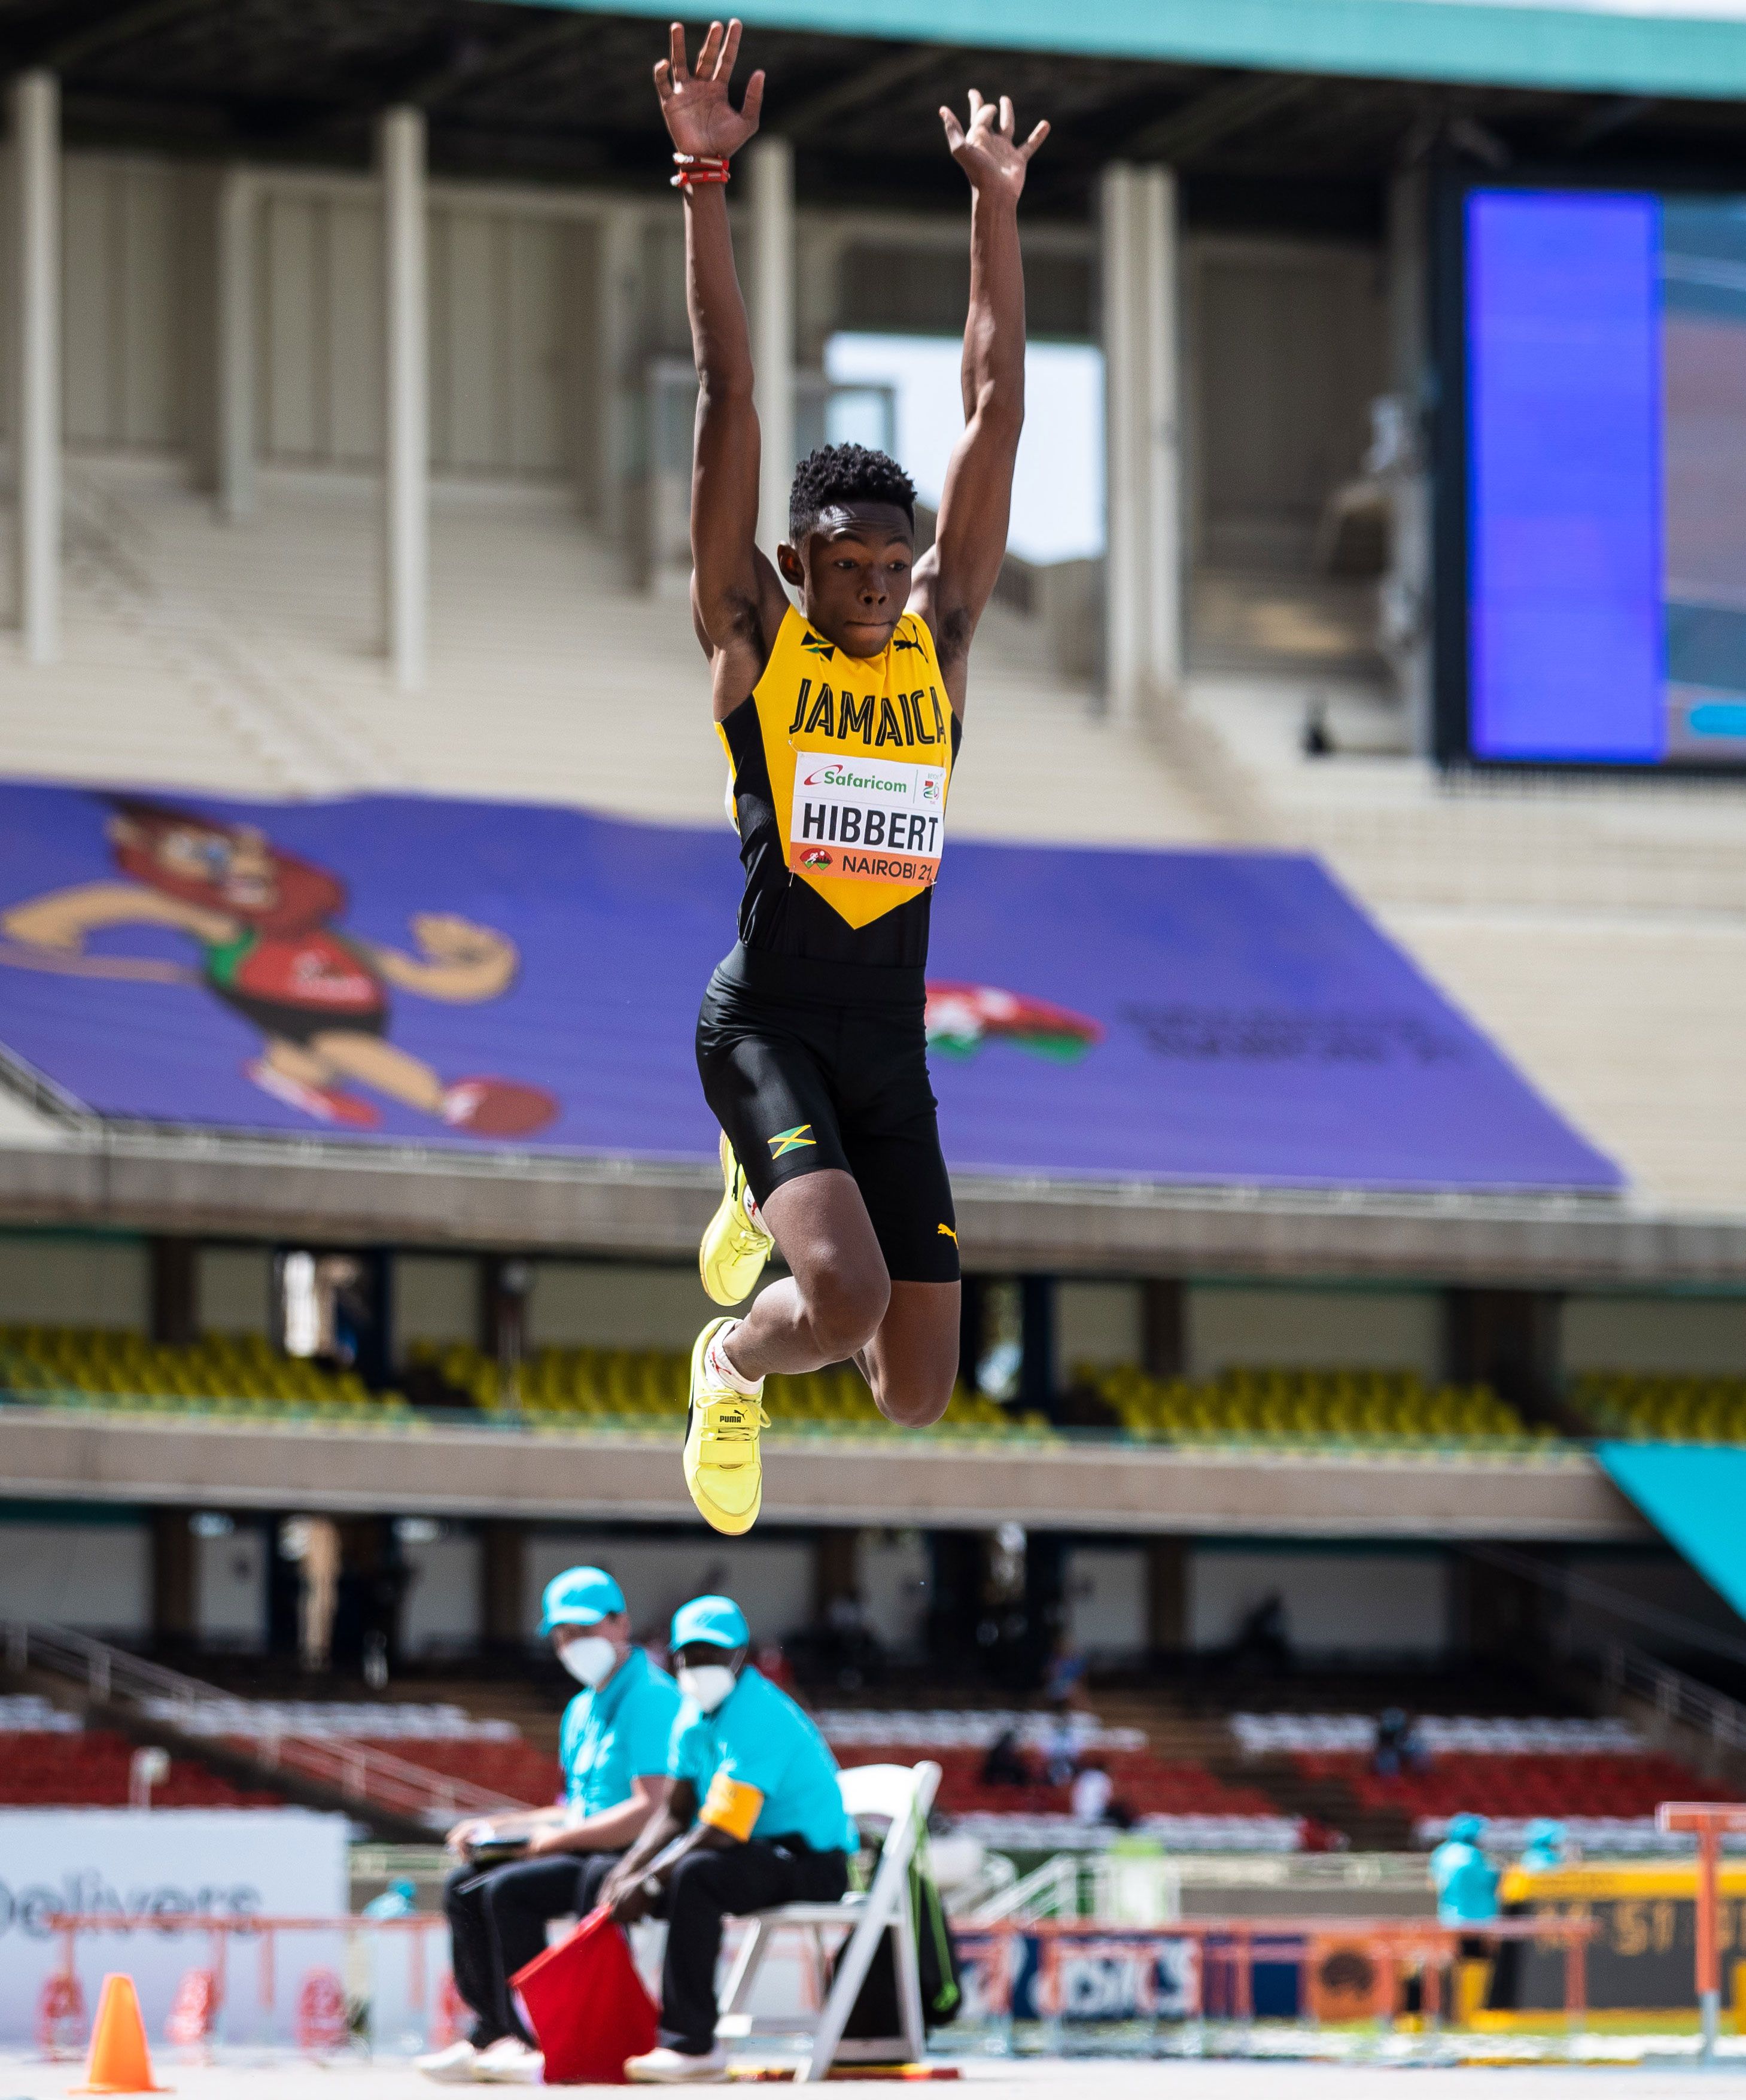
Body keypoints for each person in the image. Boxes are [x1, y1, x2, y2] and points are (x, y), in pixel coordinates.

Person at [651, 19, 1051, 1536]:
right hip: (762, 1021)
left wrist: (992, 211)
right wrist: (701, 177)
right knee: (837, 1293)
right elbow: (725, 403)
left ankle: (761, 1201)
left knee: (915, 1377)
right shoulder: (755, 639)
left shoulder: (938, 645)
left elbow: (992, 408)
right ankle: (727, 1362)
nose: (878, 587)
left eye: (893, 564)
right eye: (848, 566)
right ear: (793, 566)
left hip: (884, 1041)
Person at [416, 1569, 679, 2086]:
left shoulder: (651, 1695)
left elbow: (650, 1808)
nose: (571, 1645)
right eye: (562, 1635)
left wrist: (545, 1844)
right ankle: (497, 2030)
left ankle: (550, 2028)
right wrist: (500, 1827)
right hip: (585, 1843)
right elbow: (572, 1806)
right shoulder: (580, 1708)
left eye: (583, 1630)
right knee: (464, 1885)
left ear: (621, 1624)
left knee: (510, 1889)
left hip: (634, 1851)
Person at [600, 1594, 858, 2083]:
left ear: (741, 1656)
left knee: (695, 1875)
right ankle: (624, 2028)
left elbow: (723, 1828)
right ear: (675, 1658)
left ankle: (692, 2044)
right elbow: (675, 1814)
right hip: (758, 1853)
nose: (701, 1666)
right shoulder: (690, 1715)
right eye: (690, 1656)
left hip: (812, 1861)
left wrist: (650, 1881)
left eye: (713, 1654)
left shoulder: (758, 1713)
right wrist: (628, 1868)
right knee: (623, 1874)